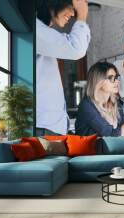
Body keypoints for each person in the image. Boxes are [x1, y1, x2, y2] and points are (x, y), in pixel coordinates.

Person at [36, 0, 90, 135]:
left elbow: (74, 46)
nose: (73, 13)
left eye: (75, 10)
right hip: (43, 127)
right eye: (71, 7)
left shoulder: (44, 32)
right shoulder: (36, 29)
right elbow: (75, 49)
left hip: (48, 127)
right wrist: (82, 15)